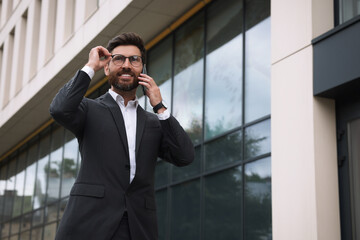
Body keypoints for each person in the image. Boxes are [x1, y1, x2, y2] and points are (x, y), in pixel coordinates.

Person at [50, 32, 194, 240]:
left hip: (138, 226)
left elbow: (185, 156)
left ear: (142, 70)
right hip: (88, 224)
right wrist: (90, 67)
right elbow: (59, 109)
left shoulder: (154, 122)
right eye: (119, 59)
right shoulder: (89, 109)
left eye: (134, 60)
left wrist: (160, 107)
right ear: (107, 67)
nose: (126, 65)